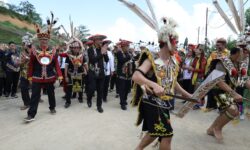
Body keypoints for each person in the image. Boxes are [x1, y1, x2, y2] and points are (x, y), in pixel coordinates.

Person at [132, 17, 192, 150]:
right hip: (151, 101)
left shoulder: (174, 61)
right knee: (167, 134)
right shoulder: (152, 58)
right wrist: (153, 84)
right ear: (168, 42)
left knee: (156, 131)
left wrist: (188, 95)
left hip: (164, 102)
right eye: (176, 42)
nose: (177, 45)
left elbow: (173, 82)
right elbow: (136, 76)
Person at [24, 13, 62, 122]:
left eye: (45, 40)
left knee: (51, 93)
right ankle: (31, 114)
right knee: (35, 96)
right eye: (42, 40)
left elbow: (56, 65)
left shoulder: (53, 51)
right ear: (39, 41)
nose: (44, 41)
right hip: (36, 77)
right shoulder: (34, 51)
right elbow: (31, 64)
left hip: (50, 76)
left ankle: (52, 107)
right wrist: (30, 77)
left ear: (48, 40)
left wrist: (59, 75)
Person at [206, 47, 247, 142]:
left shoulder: (240, 64)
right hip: (218, 90)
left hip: (228, 91)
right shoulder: (223, 62)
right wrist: (234, 94)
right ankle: (218, 128)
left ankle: (211, 129)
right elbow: (218, 81)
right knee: (232, 110)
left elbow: (245, 79)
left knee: (232, 112)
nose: (247, 55)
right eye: (245, 53)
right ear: (237, 53)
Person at [205, 38, 230, 111]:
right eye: (216, 45)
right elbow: (209, 63)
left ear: (224, 45)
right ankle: (213, 106)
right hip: (214, 74)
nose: (217, 47)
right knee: (214, 90)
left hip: (225, 76)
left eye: (218, 45)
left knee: (223, 91)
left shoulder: (228, 53)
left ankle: (224, 107)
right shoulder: (213, 53)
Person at [86, 34, 109, 113]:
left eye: (101, 40)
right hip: (92, 72)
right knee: (92, 88)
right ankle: (89, 98)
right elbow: (93, 60)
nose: (100, 41)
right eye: (99, 39)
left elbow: (106, 60)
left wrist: (105, 52)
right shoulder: (90, 49)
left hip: (101, 72)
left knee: (100, 90)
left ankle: (99, 106)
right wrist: (101, 53)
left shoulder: (102, 49)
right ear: (94, 40)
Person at [64, 38, 86, 108]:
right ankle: (68, 102)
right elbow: (66, 67)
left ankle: (80, 98)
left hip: (79, 73)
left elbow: (85, 64)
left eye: (77, 47)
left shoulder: (82, 56)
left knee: (79, 87)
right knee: (69, 89)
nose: (76, 49)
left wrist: (86, 70)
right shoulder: (68, 56)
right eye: (74, 48)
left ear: (79, 48)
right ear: (72, 48)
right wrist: (66, 76)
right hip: (70, 74)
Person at [117, 39, 133, 110]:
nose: (128, 48)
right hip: (121, 75)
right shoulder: (119, 53)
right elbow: (121, 60)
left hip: (128, 75)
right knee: (122, 89)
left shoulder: (128, 53)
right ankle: (122, 103)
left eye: (128, 46)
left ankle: (125, 100)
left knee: (127, 89)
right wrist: (129, 57)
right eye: (126, 46)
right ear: (122, 47)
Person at [190, 44, 207, 109]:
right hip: (194, 76)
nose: (195, 50)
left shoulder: (203, 59)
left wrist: (192, 69)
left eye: (197, 49)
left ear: (201, 51)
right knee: (195, 91)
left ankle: (198, 104)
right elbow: (193, 66)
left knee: (198, 91)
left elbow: (202, 70)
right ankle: (196, 103)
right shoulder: (196, 58)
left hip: (200, 77)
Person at [19, 34, 32, 110]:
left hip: (32, 72)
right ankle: (26, 103)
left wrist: (29, 59)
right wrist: (21, 62)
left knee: (35, 88)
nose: (24, 45)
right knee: (23, 88)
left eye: (25, 44)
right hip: (24, 73)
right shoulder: (22, 53)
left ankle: (36, 100)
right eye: (23, 44)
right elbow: (20, 63)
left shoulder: (33, 52)